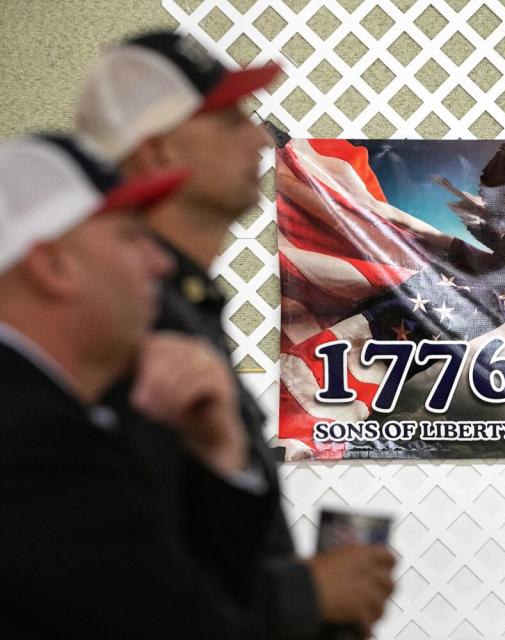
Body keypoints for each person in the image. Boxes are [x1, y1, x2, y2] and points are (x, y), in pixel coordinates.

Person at [76, 31, 395, 639]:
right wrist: (306, 594)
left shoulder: (176, 304)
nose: (257, 137)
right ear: (155, 154)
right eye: (226, 121)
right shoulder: (123, 320)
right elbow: (111, 584)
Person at [0, 134, 274, 638]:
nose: (161, 262)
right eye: (131, 235)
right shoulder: (34, 445)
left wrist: (218, 453)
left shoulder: (50, 417)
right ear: (52, 265)